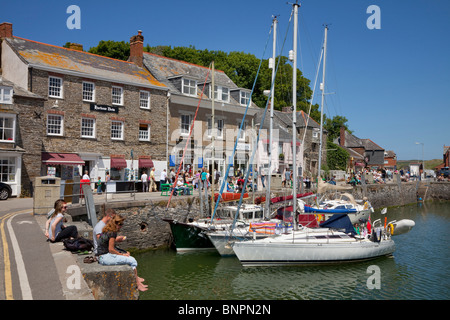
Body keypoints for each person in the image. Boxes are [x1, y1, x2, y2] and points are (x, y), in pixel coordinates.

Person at [96, 214, 148, 292]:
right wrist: (122, 254)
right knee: (132, 260)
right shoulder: (112, 233)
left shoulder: (106, 230)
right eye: (120, 224)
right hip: (105, 257)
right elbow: (111, 249)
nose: (121, 226)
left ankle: (137, 279)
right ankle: (137, 284)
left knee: (128, 257)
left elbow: (108, 246)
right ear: (115, 224)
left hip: (101, 256)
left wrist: (122, 252)